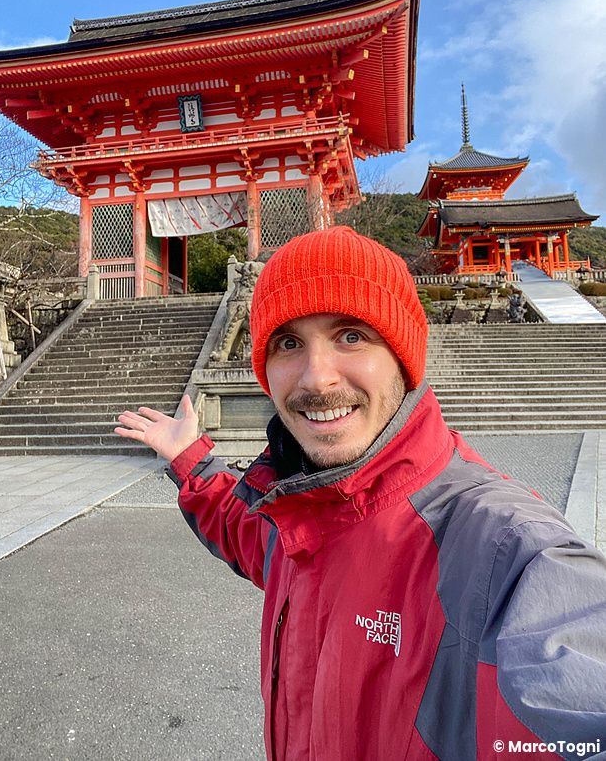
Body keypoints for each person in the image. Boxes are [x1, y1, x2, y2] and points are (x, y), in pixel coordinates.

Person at [115, 226, 606, 761]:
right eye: (288, 342)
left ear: (403, 357)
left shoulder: (503, 550)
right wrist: (190, 460)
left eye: (351, 336)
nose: (317, 378)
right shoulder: (300, 518)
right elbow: (244, 531)